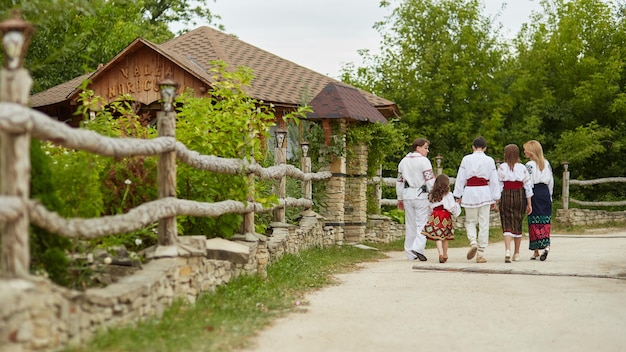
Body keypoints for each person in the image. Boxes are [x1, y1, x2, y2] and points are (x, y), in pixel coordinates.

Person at [453, 136, 500, 263]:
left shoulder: (466, 159)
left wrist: (457, 195)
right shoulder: (489, 160)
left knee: (470, 221)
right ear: (485, 148)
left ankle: (473, 241)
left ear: (473, 147)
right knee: (484, 222)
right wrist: (495, 197)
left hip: (469, 192)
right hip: (484, 192)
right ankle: (480, 252)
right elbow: (494, 180)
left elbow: (461, 178)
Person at [396, 138, 436, 261]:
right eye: (425, 148)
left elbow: (399, 181)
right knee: (422, 223)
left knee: (410, 224)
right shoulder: (424, 161)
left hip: (408, 195)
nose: (427, 151)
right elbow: (429, 180)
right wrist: (434, 194)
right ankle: (417, 248)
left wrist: (400, 198)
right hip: (421, 195)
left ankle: (409, 252)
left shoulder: (403, 161)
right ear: (418, 148)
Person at [498, 144, 533, 263]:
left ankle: (507, 250)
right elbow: (528, 186)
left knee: (507, 223)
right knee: (517, 223)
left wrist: (497, 200)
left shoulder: (502, 167)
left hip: (506, 196)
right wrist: (529, 203)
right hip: (520, 196)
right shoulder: (523, 168)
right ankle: (516, 253)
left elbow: (499, 186)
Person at [523, 140, 554, 261]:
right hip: (544, 192)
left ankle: (536, 249)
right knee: (545, 220)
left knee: (533, 220)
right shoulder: (546, 163)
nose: (524, 151)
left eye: (526, 149)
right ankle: (545, 246)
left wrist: (527, 199)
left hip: (534, 193)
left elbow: (527, 182)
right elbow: (551, 181)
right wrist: (550, 195)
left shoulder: (529, 165)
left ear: (531, 152)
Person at [421, 174, 461, 263]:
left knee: (437, 236)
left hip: (435, 215)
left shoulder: (432, 195)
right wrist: (457, 205)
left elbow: (429, 207)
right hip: (445, 216)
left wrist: (429, 217)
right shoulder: (448, 195)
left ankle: (440, 253)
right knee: (445, 236)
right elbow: (451, 207)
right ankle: (445, 254)